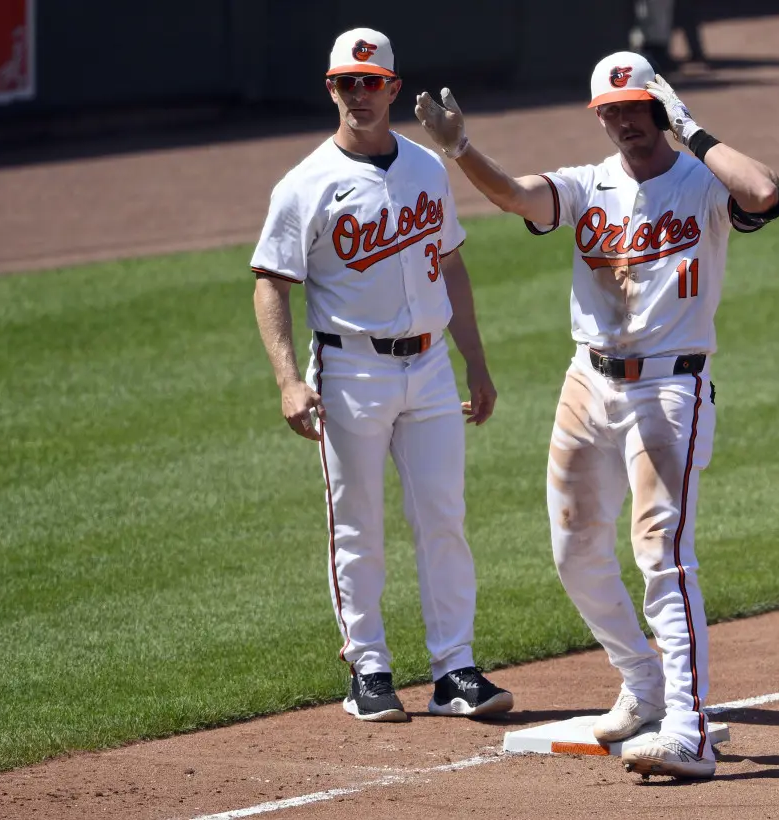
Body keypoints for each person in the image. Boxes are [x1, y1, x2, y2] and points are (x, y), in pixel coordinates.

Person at [415, 52, 779, 776]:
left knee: (661, 553)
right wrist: (461, 150)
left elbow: (765, 192)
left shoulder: (702, 183)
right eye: (609, 111)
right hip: (588, 383)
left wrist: (694, 130)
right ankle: (644, 687)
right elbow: (520, 197)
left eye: (635, 107)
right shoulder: (589, 186)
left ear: (659, 108)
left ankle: (690, 729)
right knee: (575, 550)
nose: (622, 122)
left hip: (669, 391)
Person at [250, 27, 514, 724]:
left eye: (371, 82)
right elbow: (269, 283)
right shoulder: (304, 184)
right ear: (330, 88)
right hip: (349, 371)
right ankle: (368, 669)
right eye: (346, 83)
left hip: (429, 368)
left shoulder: (428, 167)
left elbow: (450, 264)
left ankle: (454, 670)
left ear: (394, 88)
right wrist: (286, 379)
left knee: (443, 519)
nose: (358, 94)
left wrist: (475, 360)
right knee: (359, 526)